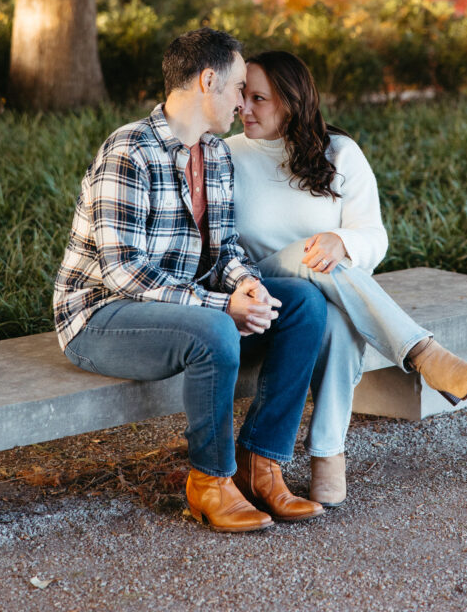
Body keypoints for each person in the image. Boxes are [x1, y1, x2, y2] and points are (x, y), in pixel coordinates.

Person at [54, 29, 328, 533]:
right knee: (215, 329)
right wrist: (220, 308)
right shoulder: (129, 150)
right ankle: (209, 481)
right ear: (208, 81)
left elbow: (225, 250)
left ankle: (260, 463)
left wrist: (247, 285)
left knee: (304, 304)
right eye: (239, 87)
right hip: (101, 316)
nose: (244, 102)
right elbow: (122, 272)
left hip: (179, 307)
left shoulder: (216, 155)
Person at [227, 50, 467, 507]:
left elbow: (375, 236)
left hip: (327, 297)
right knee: (315, 260)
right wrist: (323, 249)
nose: (243, 109)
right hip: (260, 289)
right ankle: (424, 354)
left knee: (338, 320)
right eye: (241, 97)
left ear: (291, 102)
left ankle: (327, 454)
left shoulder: (339, 152)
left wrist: (341, 241)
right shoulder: (227, 155)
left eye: (258, 99)